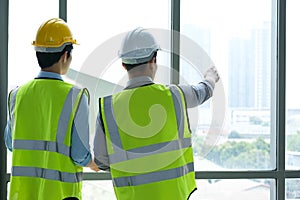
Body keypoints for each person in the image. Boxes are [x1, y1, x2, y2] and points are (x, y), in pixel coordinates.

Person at [93, 27, 220, 200]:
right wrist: (210, 77)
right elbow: (202, 92)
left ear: (123, 64)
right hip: (175, 195)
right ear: (154, 60)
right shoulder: (175, 96)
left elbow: (101, 161)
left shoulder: (107, 108)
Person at [4, 18, 99, 200]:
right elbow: (80, 154)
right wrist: (94, 164)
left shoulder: (17, 95)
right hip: (60, 195)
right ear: (65, 56)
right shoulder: (76, 96)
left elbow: (10, 143)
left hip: (22, 194)